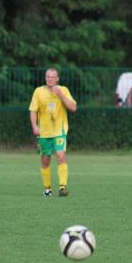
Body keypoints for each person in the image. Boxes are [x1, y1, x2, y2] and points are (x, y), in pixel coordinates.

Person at [29, 68, 77, 197]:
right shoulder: (38, 91)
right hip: (44, 132)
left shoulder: (63, 90)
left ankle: (62, 187)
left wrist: (60, 94)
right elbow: (33, 110)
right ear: (45, 78)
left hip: (59, 130)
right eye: (48, 77)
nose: (50, 79)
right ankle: (47, 188)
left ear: (57, 79)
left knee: (61, 155)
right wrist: (34, 126)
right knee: (45, 160)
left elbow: (73, 107)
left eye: (52, 77)